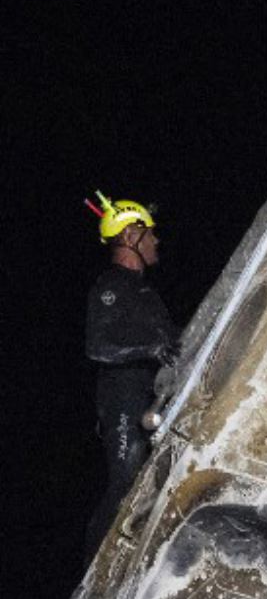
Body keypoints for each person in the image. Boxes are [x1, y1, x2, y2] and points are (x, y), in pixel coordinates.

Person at [84, 192, 178, 561]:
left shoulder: (147, 294)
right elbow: (98, 346)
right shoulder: (111, 287)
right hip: (122, 398)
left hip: (152, 398)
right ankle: (90, 574)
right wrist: (150, 350)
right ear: (129, 238)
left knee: (155, 484)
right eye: (149, 233)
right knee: (125, 482)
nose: (156, 240)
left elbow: (173, 344)